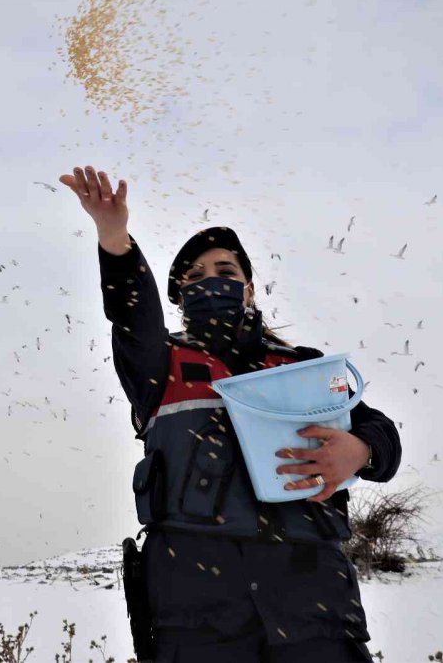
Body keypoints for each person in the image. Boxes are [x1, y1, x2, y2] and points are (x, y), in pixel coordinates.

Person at [59, 165, 401, 663]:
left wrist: (360, 449)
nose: (210, 282)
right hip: (195, 615)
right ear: (178, 299)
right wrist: (115, 238)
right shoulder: (158, 365)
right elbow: (132, 315)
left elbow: (381, 433)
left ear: (249, 288)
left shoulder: (303, 367)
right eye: (195, 278)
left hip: (315, 608)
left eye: (226, 272)